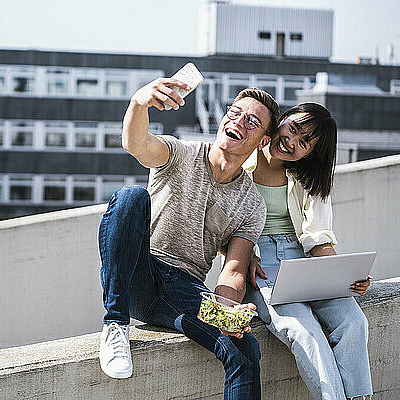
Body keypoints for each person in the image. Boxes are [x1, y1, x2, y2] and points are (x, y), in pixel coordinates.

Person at [98, 77, 279, 400]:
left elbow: (234, 271)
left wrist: (227, 313)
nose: (238, 121)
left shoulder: (252, 204)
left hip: (185, 289)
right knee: (131, 197)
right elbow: (136, 145)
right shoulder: (182, 153)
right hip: (141, 270)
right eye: (234, 112)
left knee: (245, 349)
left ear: (263, 141)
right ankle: (115, 323)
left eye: (252, 121)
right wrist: (139, 103)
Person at [241, 103, 373, 400]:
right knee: (305, 332)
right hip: (259, 264)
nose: (291, 142)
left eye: (304, 143)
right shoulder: (241, 161)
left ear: (310, 154)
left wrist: (346, 276)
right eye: (294, 129)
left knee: (353, 322)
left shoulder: (308, 178)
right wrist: (242, 252)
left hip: (304, 262)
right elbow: (219, 221)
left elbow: (318, 240)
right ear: (283, 119)